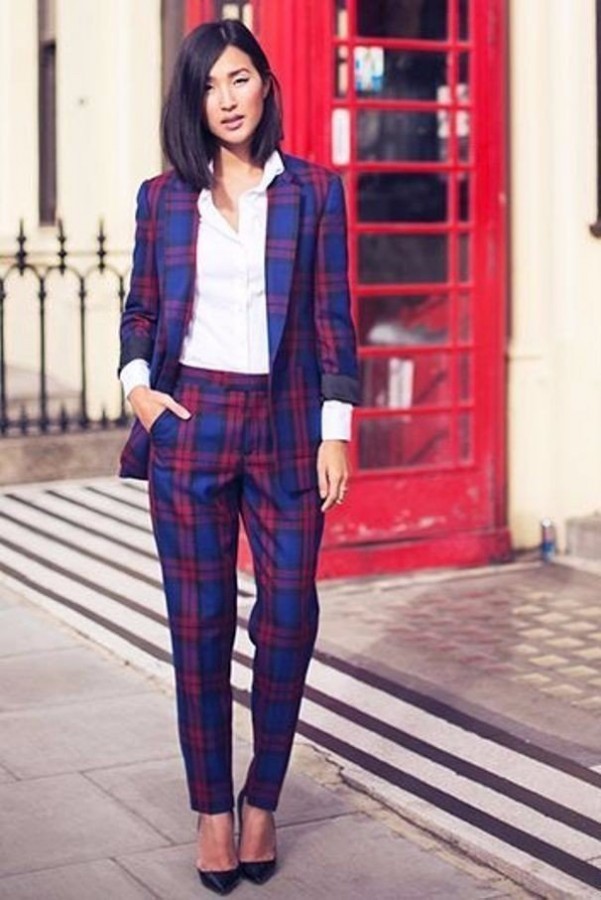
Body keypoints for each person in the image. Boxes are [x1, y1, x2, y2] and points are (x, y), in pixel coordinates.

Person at [117, 18, 359, 896]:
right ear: (191, 102)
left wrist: (335, 427)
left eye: (239, 78)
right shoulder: (162, 198)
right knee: (199, 625)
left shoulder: (313, 192)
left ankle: (264, 798)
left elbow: (333, 315)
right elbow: (142, 308)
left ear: (264, 85)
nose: (225, 99)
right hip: (193, 421)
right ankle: (213, 814)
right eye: (208, 86)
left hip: (287, 424)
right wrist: (139, 389)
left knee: (288, 616)